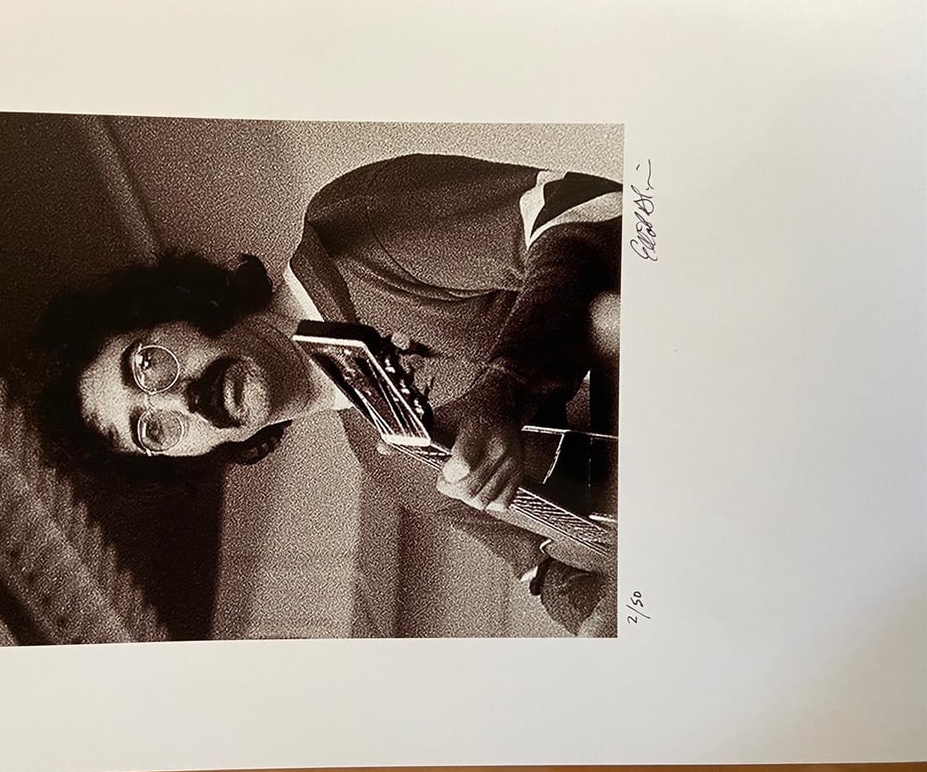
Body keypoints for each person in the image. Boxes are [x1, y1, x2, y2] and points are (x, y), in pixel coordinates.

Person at [37, 153, 622, 636]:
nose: (182, 401)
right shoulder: (388, 464)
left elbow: (582, 209)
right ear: (189, 455)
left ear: (176, 309)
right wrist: (587, 614)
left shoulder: (346, 237)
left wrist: (508, 388)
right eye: (153, 431)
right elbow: (535, 560)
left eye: (147, 366)